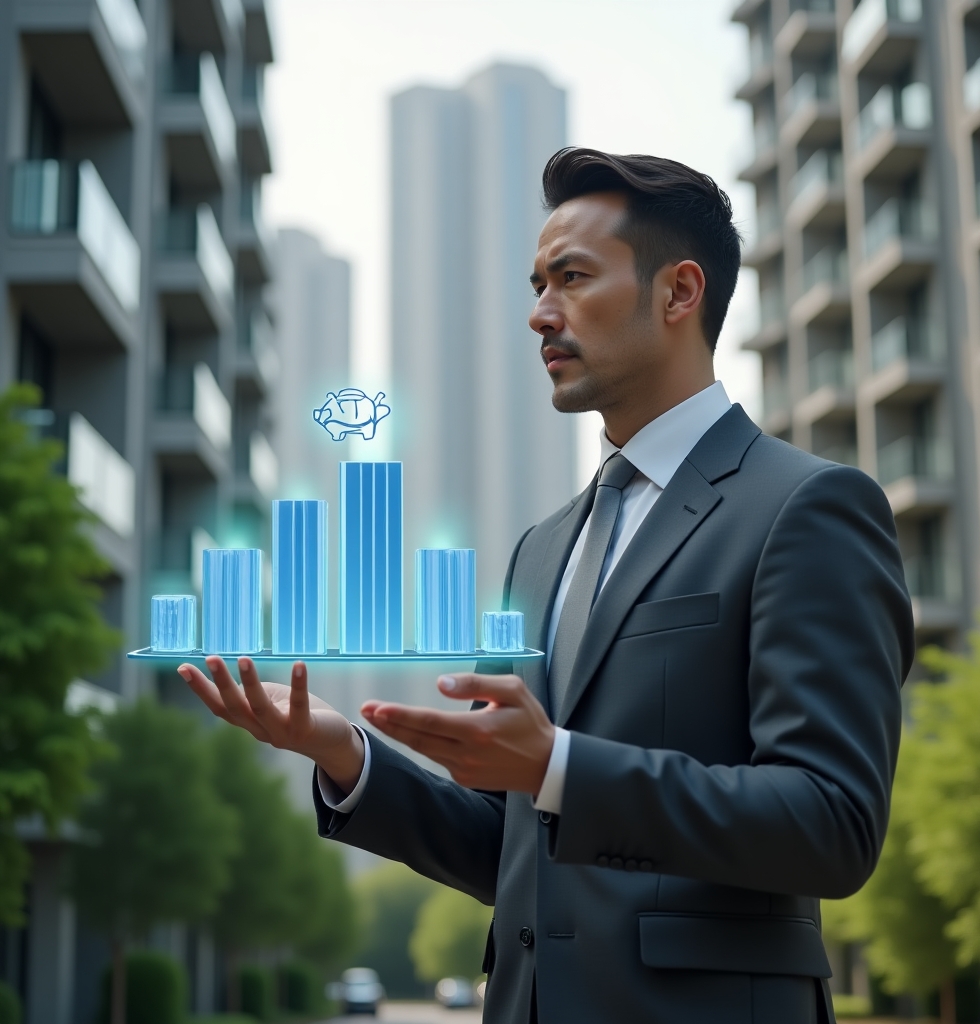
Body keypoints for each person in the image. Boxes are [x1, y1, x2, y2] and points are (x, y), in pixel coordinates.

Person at [182, 147, 914, 1024]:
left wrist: (561, 766)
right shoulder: (541, 550)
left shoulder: (808, 507)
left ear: (679, 293)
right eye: (537, 286)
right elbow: (509, 845)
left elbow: (832, 823)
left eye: (571, 278)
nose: (539, 314)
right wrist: (346, 756)